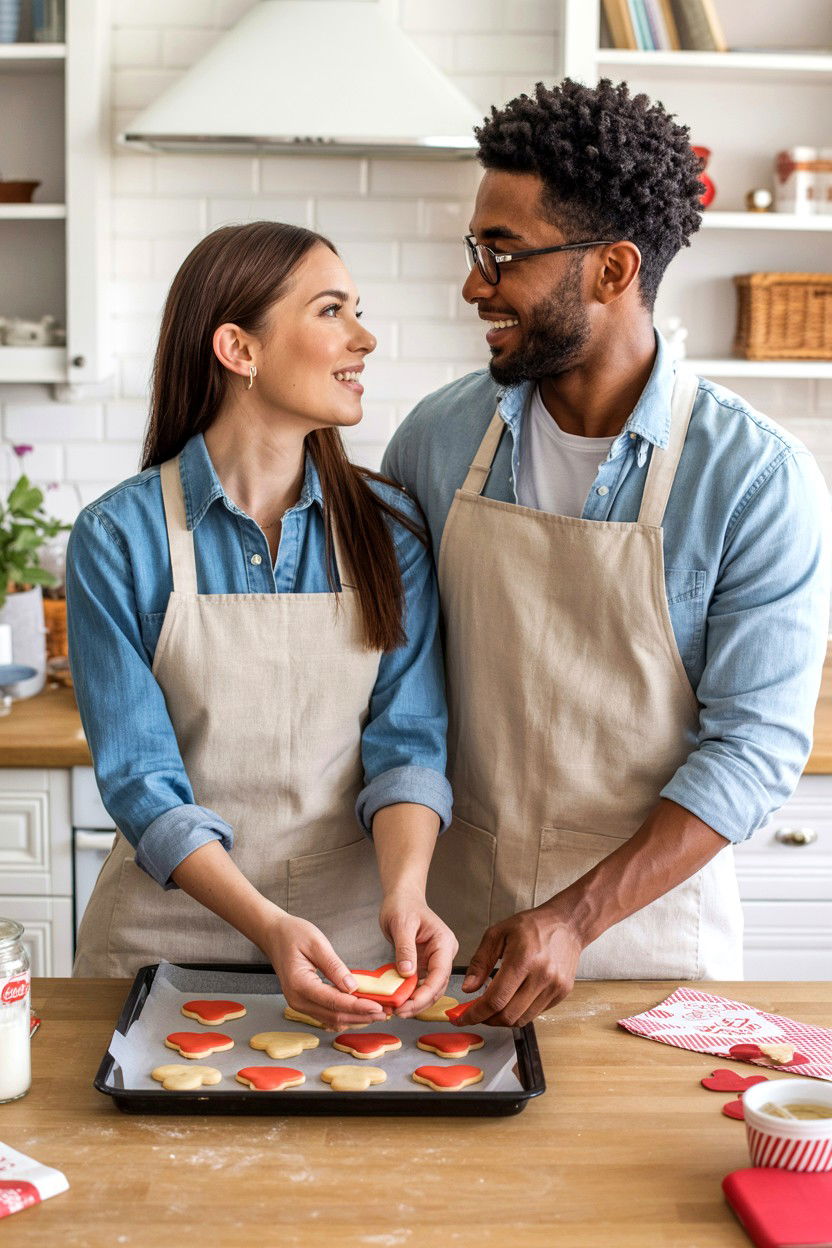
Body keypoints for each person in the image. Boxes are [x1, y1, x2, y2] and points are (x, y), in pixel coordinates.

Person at [382, 79, 830, 1028]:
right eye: (476, 250)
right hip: (457, 950)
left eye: (501, 254)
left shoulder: (754, 478)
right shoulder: (433, 442)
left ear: (614, 270)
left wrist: (576, 918)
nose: (474, 284)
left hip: (655, 963)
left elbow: (752, 751)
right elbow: (397, 691)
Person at [68, 221, 456, 1028]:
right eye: (330, 311)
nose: (364, 337)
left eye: (359, 310)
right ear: (239, 351)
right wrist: (269, 925)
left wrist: (406, 893)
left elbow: (407, 747)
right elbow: (142, 781)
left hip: (352, 952)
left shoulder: (391, 530)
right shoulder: (118, 538)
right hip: (160, 944)